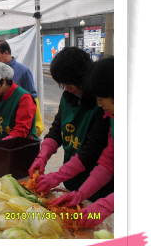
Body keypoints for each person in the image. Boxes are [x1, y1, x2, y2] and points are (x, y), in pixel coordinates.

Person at [28, 47, 113, 203]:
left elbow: (92, 151)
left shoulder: (103, 106)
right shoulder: (68, 96)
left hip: (97, 183)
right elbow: (57, 130)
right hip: (72, 176)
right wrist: (42, 156)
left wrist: (57, 176)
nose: (66, 89)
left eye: (69, 84)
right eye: (63, 84)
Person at [49, 56, 114, 228]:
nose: (99, 104)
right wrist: (80, 194)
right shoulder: (113, 116)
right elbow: (108, 162)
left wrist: (106, 205)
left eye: (101, 99)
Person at [0, 39, 43, 137]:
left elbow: (33, 97)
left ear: (6, 52)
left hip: (21, 120)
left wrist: (37, 121)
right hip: (3, 121)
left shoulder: (23, 71)